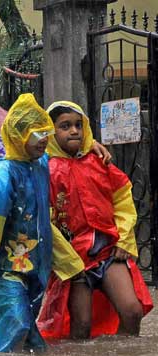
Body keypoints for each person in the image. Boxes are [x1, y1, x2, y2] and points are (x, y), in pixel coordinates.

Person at [0, 94, 85, 353]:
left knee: (33, 345)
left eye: (45, 132)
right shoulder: (3, 175)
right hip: (2, 271)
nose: (43, 139)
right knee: (18, 324)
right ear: (18, 137)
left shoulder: (40, 163)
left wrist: (93, 145)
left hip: (32, 270)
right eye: (35, 135)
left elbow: (73, 144)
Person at [37, 101, 153, 339]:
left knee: (132, 311)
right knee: (80, 326)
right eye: (65, 126)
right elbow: (41, 218)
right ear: (51, 132)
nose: (74, 131)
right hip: (73, 260)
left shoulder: (98, 161)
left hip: (107, 251)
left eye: (78, 125)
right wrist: (63, 262)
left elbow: (122, 199)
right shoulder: (44, 169)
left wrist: (124, 240)